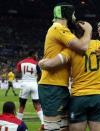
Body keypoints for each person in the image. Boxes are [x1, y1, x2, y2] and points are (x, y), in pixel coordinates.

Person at [38, 24, 100, 131]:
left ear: (74, 34)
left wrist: (42, 63)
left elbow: (51, 64)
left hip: (79, 97)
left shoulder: (70, 50)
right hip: (99, 97)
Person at [38, 2, 92, 131]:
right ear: (67, 14)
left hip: (60, 85)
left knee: (64, 127)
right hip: (51, 86)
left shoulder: (60, 31)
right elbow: (83, 47)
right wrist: (89, 30)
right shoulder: (58, 28)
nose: (74, 18)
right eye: (73, 14)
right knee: (52, 128)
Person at [16, 50, 44, 130]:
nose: (36, 56)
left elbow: (18, 72)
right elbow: (40, 74)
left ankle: (18, 123)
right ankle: (43, 122)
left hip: (25, 84)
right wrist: (37, 80)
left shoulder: (21, 62)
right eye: (35, 55)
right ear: (32, 55)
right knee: (37, 105)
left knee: (22, 105)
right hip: (34, 85)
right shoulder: (36, 63)